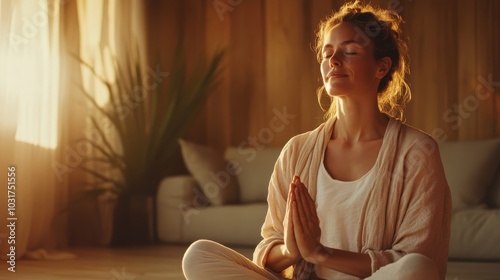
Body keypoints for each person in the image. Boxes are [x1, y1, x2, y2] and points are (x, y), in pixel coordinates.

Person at [182, 1, 451, 279]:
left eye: (349, 51)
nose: (334, 61)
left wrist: (320, 253)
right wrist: (292, 249)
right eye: (327, 53)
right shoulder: (297, 150)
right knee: (199, 254)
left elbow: (415, 256)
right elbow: (269, 250)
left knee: (417, 268)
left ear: (381, 67)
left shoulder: (418, 151)